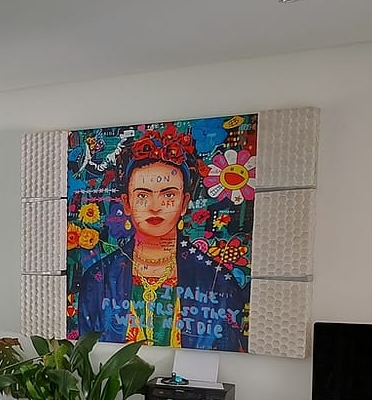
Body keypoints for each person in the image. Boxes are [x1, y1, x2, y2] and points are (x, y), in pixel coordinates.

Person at [75, 124, 248, 351]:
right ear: (126, 203)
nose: (155, 207)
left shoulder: (216, 281)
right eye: (143, 196)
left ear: (184, 203)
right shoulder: (99, 279)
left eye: (168, 195)